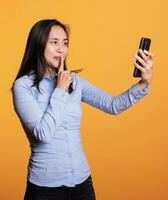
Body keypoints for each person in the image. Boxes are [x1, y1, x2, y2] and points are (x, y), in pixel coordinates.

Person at [11, 19, 154, 200]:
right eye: (54, 43)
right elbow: (43, 133)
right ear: (38, 45)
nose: (61, 49)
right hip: (45, 189)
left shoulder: (75, 81)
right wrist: (60, 90)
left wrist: (143, 82)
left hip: (82, 185)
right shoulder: (23, 87)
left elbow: (112, 105)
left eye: (65, 43)